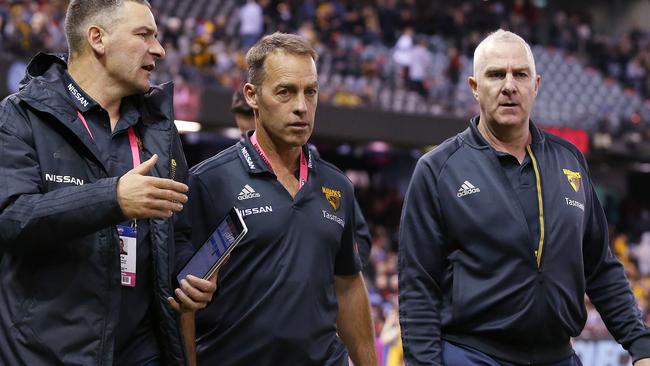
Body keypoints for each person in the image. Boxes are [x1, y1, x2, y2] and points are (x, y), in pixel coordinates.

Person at [398, 29, 650, 366]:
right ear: (475, 87)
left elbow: (600, 267)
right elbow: (418, 288)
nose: (509, 85)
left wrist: (641, 344)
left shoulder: (570, 161)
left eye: (520, 74)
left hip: (559, 355)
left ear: (537, 84)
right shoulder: (438, 170)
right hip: (473, 355)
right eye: (496, 74)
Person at [0, 1, 217, 365]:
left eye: (158, 37)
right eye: (144, 35)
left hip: (141, 351)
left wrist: (187, 277)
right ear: (98, 38)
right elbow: (10, 218)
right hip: (45, 354)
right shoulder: (20, 116)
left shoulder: (158, 131)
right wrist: (112, 197)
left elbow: (177, 231)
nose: (159, 49)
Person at [185, 32, 377, 366]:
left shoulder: (338, 187)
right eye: (285, 92)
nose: (301, 107)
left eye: (310, 92)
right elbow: (183, 303)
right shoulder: (208, 182)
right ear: (252, 96)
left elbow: (348, 284)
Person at [230, 89, 374, 267]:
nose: (250, 142)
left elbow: (361, 240)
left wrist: (329, 274)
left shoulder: (325, 176)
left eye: (254, 133)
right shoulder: (229, 174)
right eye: (243, 134)